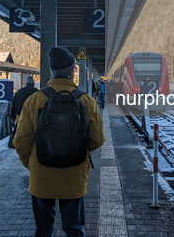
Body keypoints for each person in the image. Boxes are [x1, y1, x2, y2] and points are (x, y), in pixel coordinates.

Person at [13, 47, 105, 237]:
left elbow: (20, 141)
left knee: (44, 230)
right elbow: (97, 140)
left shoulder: (33, 100)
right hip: (74, 177)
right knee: (74, 230)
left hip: (41, 176)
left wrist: (31, 163)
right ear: (72, 72)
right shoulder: (86, 101)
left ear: (52, 72)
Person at [8, 75, 39, 148]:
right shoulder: (37, 93)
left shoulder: (19, 92)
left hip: (20, 117)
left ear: (26, 83)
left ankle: (17, 145)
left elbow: (13, 105)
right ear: (33, 84)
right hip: (33, 118)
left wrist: (13, 117)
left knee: (19, 133)